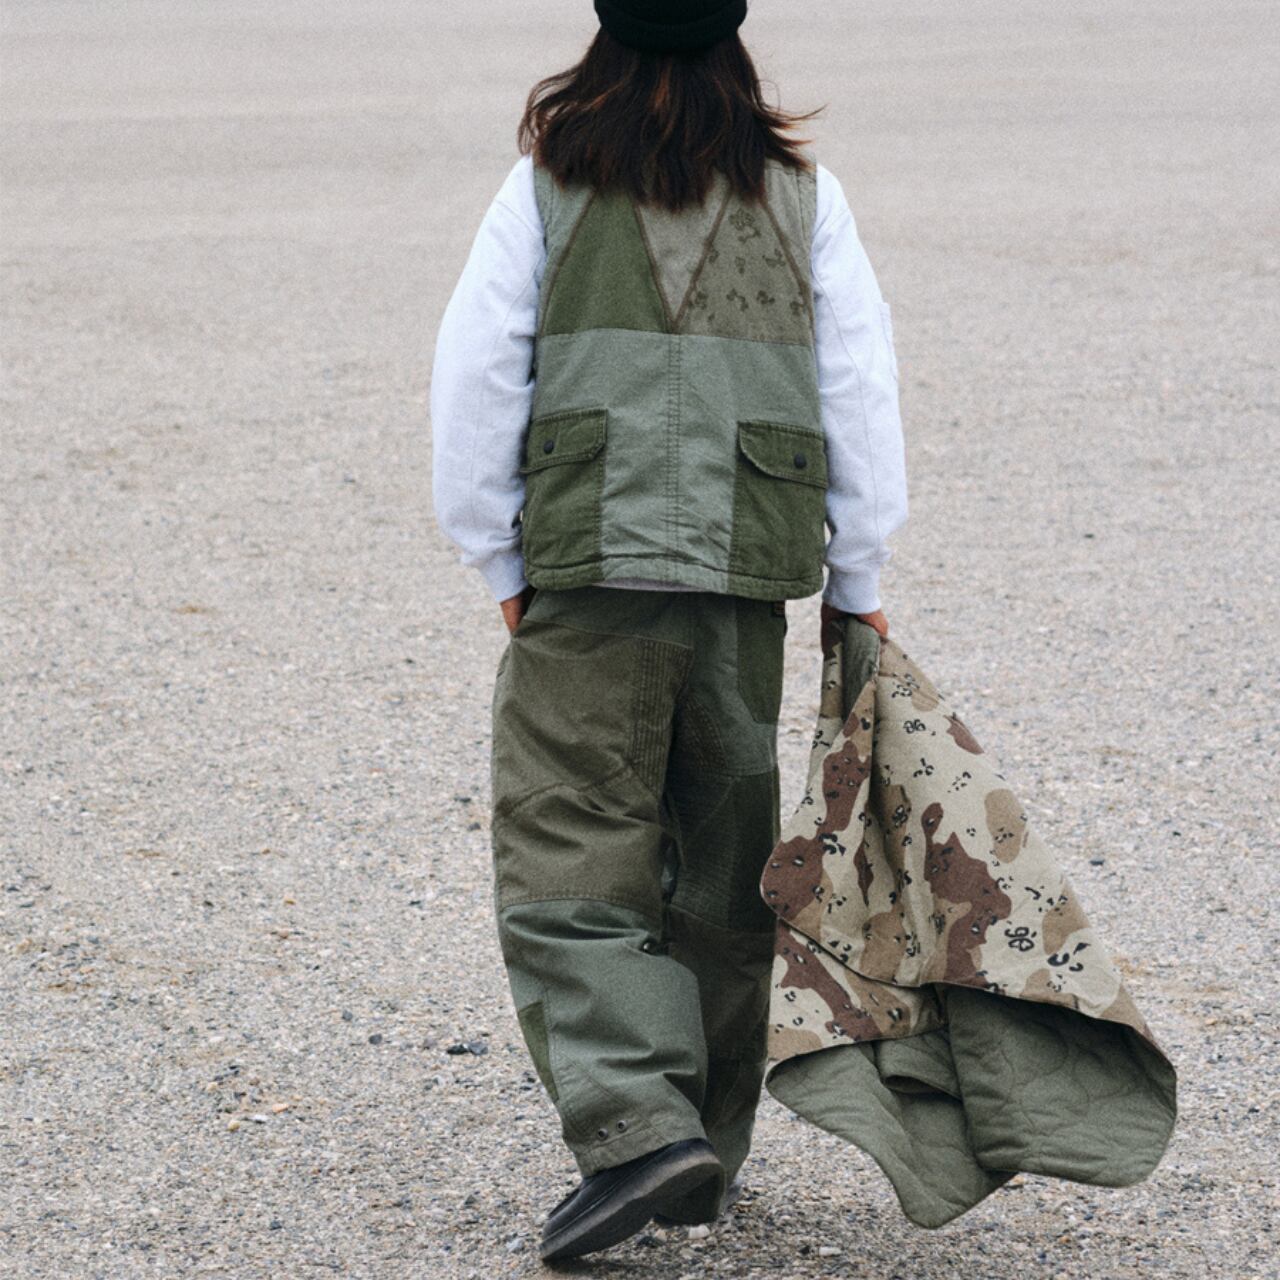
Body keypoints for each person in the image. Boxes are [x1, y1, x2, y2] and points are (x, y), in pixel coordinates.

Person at [430, 0, 907, 1261]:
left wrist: (493, 549)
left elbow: (478, 372)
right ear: (732, 48)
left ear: (603, 43)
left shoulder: (544, 187)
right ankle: (699, 1146)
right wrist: (855, 571)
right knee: (722, 863)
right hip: (745, 576)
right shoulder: (803, 196)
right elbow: (856, 385)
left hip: (588, 566)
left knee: (569, 847)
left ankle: (641, 1130)